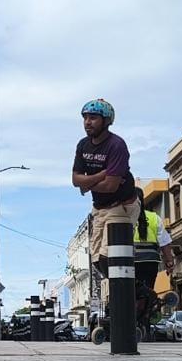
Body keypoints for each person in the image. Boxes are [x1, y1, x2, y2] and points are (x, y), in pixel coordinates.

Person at [71, 99, 140, 280]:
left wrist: (87, 184)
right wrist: (100, 175)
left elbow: (111, 186)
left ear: (106, 121)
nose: (87, 122)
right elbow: (75, 179)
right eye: (85, 118)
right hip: (99, 207)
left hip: (121, 206)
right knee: (96, 261)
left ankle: (135, 293)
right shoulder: (83, 145)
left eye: (93, 118)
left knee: (108, 256)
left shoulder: (116, 145)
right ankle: (133, 292)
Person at [134, 196, 174, 339]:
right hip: (150, 262)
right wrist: (169, 263)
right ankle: (145, 320)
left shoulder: (125, 217)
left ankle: (133, 320)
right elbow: (165, 243)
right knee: (148, 290)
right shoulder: (153, 217)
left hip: (131, 262)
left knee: (131, 292)